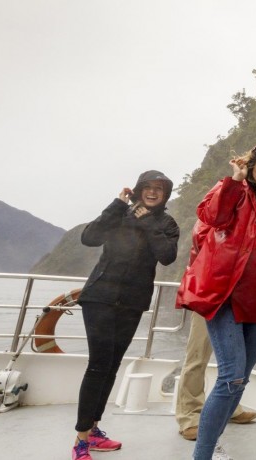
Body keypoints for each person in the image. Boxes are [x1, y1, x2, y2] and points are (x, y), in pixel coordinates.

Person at [176, 140, 256, 460]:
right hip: (221, 295)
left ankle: (211, 440)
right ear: (250, 164)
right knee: (231, 376)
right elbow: (211, 215)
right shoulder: (230, 188)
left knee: (240, 379)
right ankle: (202, 455)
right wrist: (233, 180)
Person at [72, 170, 180, 460]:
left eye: (160, 188)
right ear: (139, 189)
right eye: (149, 187)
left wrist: (146, 223)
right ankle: (81, 440)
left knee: (112, 365)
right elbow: (89, 237)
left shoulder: (167, 223)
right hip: (100, 298)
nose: (154, 192)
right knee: (98, 366)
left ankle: (93, 430)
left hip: (132, 303)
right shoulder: (120, 214)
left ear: (165, 194)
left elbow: (167, 256)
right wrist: (117, 205)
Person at [176, 220, 256, 440]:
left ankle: (230, 409)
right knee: (197, 357)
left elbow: (253, 253)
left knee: (235, 363)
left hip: (239, 300)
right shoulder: (217, 212)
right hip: (211, 296)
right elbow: (211, 246)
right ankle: (190, 417)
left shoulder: (249, 213)